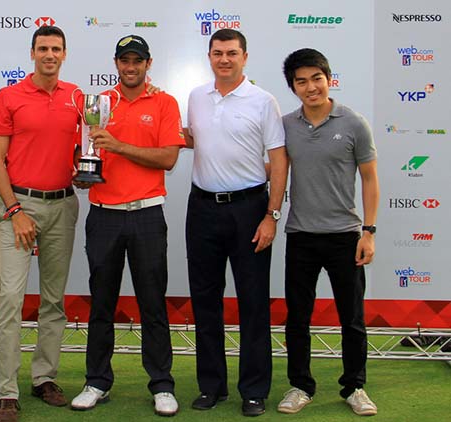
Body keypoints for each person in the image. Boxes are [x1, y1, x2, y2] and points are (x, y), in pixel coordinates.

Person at [70, 34, 185, 417]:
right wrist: (82, 171)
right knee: (101, 302)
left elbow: (168, 157)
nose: (130, 67)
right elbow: (87, 152)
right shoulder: (101, 102)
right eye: (124, 60)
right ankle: (97, 381)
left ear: (148, 63)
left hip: (147, 213)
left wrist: (118, 146)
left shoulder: (165, 102)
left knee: (153, 303)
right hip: (103, 212)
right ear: (116, 63)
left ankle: (162, 384)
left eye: (137, 60)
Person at [184, 29, 288, 417]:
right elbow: (191, 139)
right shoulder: (195, 97)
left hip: (250, 211)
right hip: (202, 209)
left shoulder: (263, 101)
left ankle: (254, 390)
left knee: (254, 303)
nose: (223, 59)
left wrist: (271, 215)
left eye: (231, 53)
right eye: (217, 53)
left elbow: (279, 161)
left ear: (245, 57)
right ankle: (211, 387)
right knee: (205, 300)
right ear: (209, 57)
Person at [277, 48, 379, 417]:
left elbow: (369, 180)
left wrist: (368, 232)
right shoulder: (286, 124)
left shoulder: (353, 123)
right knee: (297, 318)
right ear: (293, 87)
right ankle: (300, 385)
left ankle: (354, 386)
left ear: (328, 79)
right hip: (301, 235)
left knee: (351, 317)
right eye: (301, 81)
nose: (310, 87)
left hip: (345, 237)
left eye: (316, 78)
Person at [0, 26, 80, 422]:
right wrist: (14, 210)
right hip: (18, 206)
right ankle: (6, 391)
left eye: (56, 49)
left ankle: (44, 377)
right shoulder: (10, 96)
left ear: (64, 54)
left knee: (54, 300)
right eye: (43, 48)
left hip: (63, 204)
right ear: (32, 52)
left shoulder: (78, 97)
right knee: (10, 300)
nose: (49, 54)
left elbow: (90, 144)